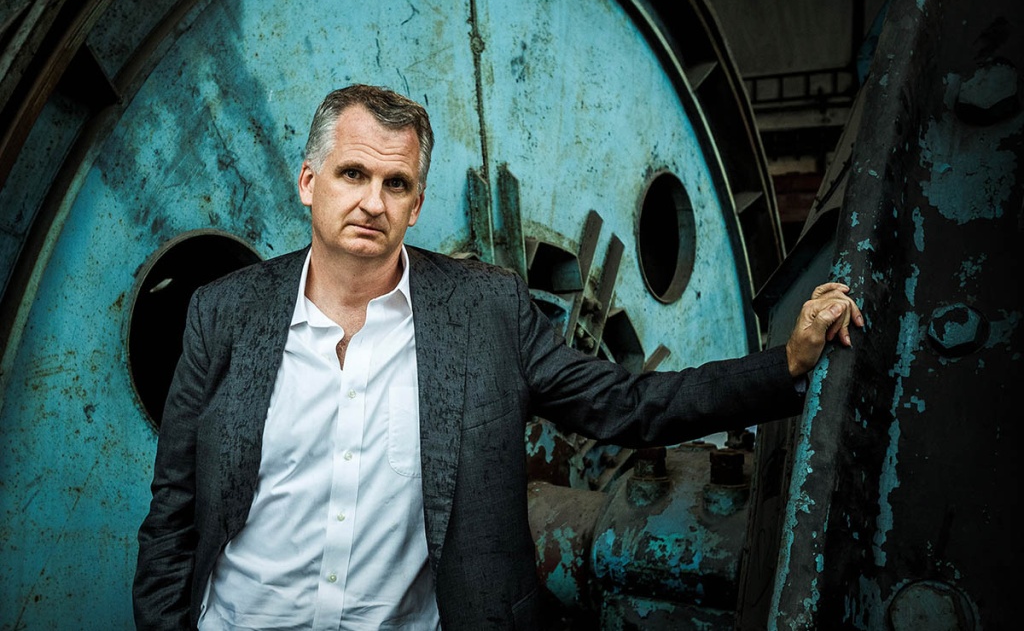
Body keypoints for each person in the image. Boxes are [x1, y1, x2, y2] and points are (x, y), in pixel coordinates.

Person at [133, 84, 863, 631]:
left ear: (417, 205)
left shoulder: (486, 312)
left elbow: (628, 406)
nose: (372, 202)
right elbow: (176, 510)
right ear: (309, 182)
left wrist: (787, 364)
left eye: (396, 183)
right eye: (353, 173)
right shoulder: (225, 313)